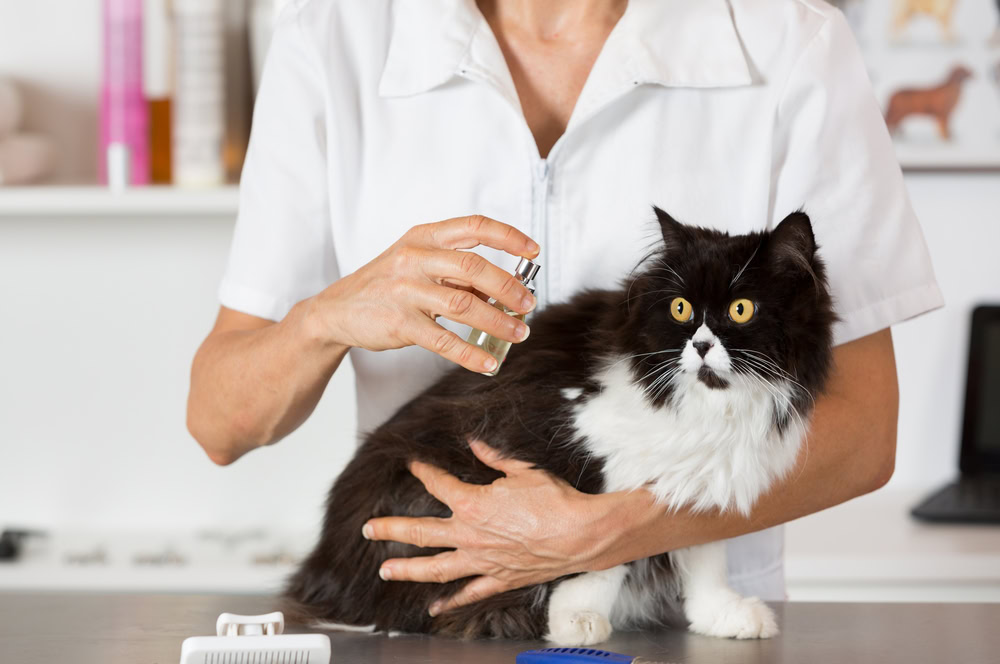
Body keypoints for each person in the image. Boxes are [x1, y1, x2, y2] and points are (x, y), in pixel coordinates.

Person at [187, 0, 942, 616]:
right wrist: (326, 317)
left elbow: (866, 435)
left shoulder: (792, 44)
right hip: (434, 620)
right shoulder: (330, 38)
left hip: (687, 627)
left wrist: (613, 528)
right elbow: (222, 421)